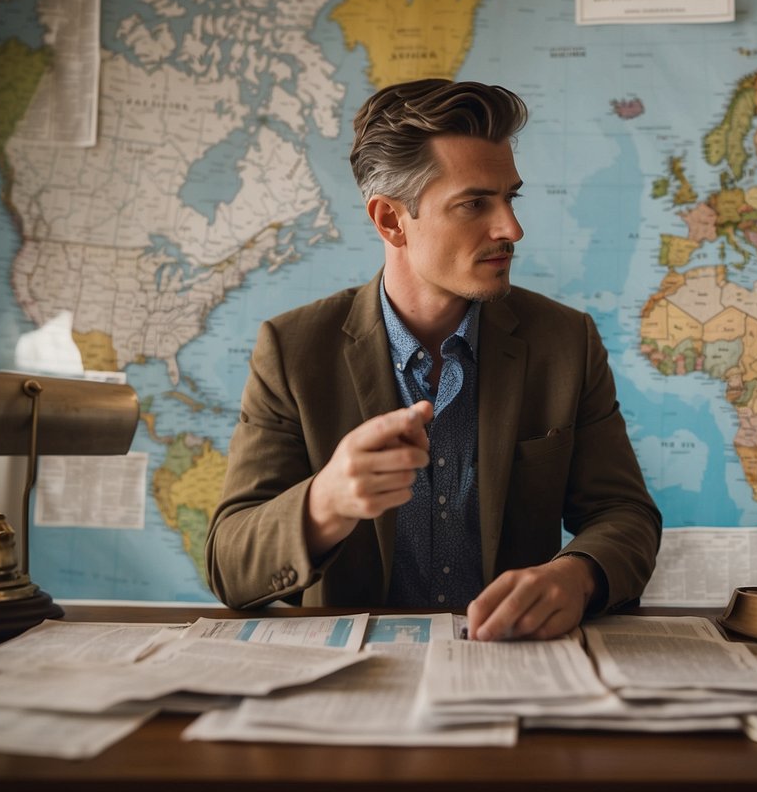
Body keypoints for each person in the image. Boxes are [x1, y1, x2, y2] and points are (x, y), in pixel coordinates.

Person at [206, 78, 661, 641]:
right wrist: (325, 502)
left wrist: (578, 575)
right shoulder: (294, 351)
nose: (511, 230)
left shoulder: (565, 341)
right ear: (391, 221)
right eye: (474, 203)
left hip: (514, 665)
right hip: (354, 682)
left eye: (509, 197)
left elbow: (626, 516)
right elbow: (229, 563)